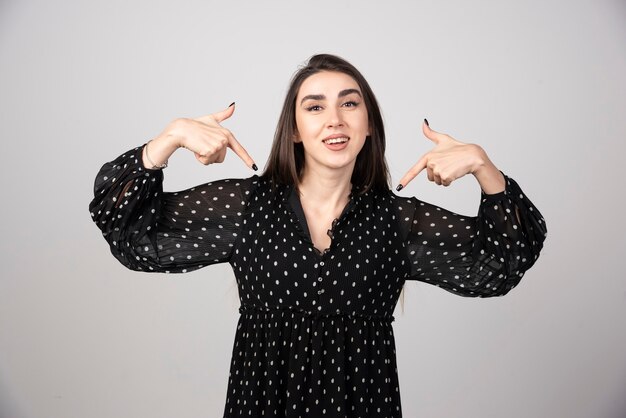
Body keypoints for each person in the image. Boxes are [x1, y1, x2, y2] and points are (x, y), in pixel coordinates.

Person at [89, 54, 546, 418]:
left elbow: (499, 267)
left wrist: (486, 171)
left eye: (350, 103)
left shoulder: (397, 222)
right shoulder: (246, 207)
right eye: (314, 106)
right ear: (293, 130)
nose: (335, 119)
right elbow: (132, 235)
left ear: (369, 125)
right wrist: (165, 142)